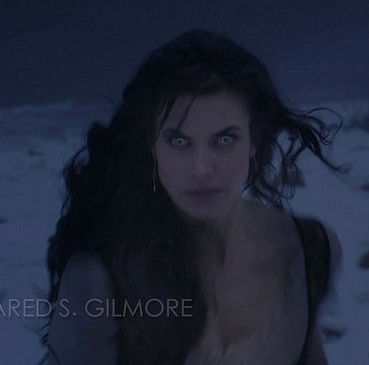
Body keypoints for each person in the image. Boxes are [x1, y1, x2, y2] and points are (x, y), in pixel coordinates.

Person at [41, 30, 346, 364]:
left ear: (254, 142)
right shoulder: (102, 277)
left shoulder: (306, 250)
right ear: (152, 148)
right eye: (179, 141)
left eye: (224, 140)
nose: (201, 168)